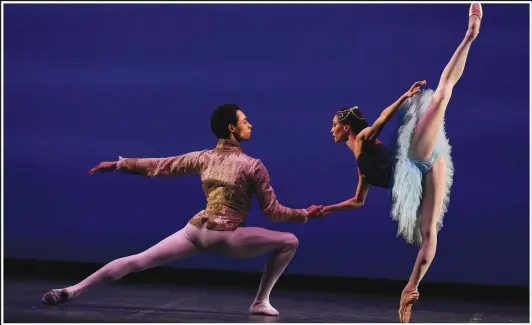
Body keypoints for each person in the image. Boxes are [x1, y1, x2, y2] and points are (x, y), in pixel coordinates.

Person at [41, 103, 322, 316]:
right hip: (224, 234)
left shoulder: (203, 158)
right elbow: (272, 211)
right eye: (245, 121)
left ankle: (71, 290)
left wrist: (118, 164)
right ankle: (260, 301)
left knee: (137, 261)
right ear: (232, 128)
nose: (251, 124)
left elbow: (161, 165)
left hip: (194, 231)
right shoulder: (252, 166)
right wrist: (304, 214)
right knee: (289, 241)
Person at [311, 3, 483, 323]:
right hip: (423, 174)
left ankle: (470, 35)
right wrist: (328, 209)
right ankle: (409, 291)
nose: (331, 129)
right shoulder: (360, 163)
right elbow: (358, 201)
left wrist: (405, 97)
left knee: (441, 96)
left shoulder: (362, 137)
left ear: (345, 127)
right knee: (429, 234)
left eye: (334, 124)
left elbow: (381, 118)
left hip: (413, 158)